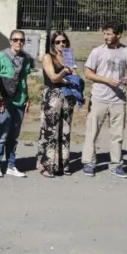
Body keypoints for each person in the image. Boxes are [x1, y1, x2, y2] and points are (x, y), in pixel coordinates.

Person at [82, 22, 127, 178]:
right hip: (99, 97)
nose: (106, 36)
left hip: (118, 99)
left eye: (109, 34)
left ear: (118, 35)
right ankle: (89, 163)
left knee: (117, 134)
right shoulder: (97, 52)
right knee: (92, 132)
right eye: (104, 33)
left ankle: (116, 164)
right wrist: (106, 80)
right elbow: (88, 73)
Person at [36, 31, 84, 177]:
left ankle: (62, 165)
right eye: (57, 42)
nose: (61, 44)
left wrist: (74, 76)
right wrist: (64, 72)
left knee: (65, 129)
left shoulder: (68, 55)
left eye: (64, 41)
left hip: (68, 95)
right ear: (52, 44)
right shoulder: (48, 57)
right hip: (53, 95)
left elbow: (75, 75)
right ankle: (46, 165)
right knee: (50, 129)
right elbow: (53, 77)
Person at [0, 30, 33, 178]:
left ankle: (11, 165)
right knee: (3, 134)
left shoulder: (25, 59)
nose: (18, 42)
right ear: (10, 41)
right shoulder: (2, 56)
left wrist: (27, 97)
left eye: (21, 40)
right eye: (15, 39)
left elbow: (23, 80)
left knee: (14, 135)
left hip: (19, 100)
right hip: (3, 101)